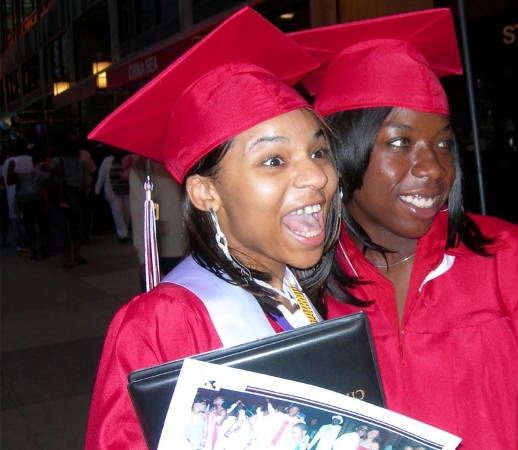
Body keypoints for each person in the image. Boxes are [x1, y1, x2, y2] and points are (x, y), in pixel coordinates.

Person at [290, 9, 518, 450]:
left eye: (442, 142)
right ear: (344, 150)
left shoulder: (514, 261)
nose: (435, 167)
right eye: (400, 142)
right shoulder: (300, 288)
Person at [84, 7, 341, 450]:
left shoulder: (314, 297)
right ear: (205, 194)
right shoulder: (162, 326)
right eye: (274, 160)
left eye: (318, 153)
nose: (318, 177)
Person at [129, 155, 184, 291]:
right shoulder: (143, 164)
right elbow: (140, 212)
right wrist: (143, 256)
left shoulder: (143, 162)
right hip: (162, 249)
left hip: (188, 247)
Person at [47, 134, 92, 267]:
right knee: (77, 226)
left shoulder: (56, 161)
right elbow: (87, 181)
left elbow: (44, 179)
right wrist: (82, 192)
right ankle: (77, 254)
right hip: (76, 196)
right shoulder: (81, 163)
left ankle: (68, 258)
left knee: (61, 227)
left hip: (59, 197)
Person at [94, 146, 132, 243]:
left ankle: (125, 230)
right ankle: (123, 234)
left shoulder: (128, 159)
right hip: (114, 192)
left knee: (126, 213)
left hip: (127, 191)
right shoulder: (107, 161)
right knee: (118, 213)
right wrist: (97, 190)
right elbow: (101, 175)